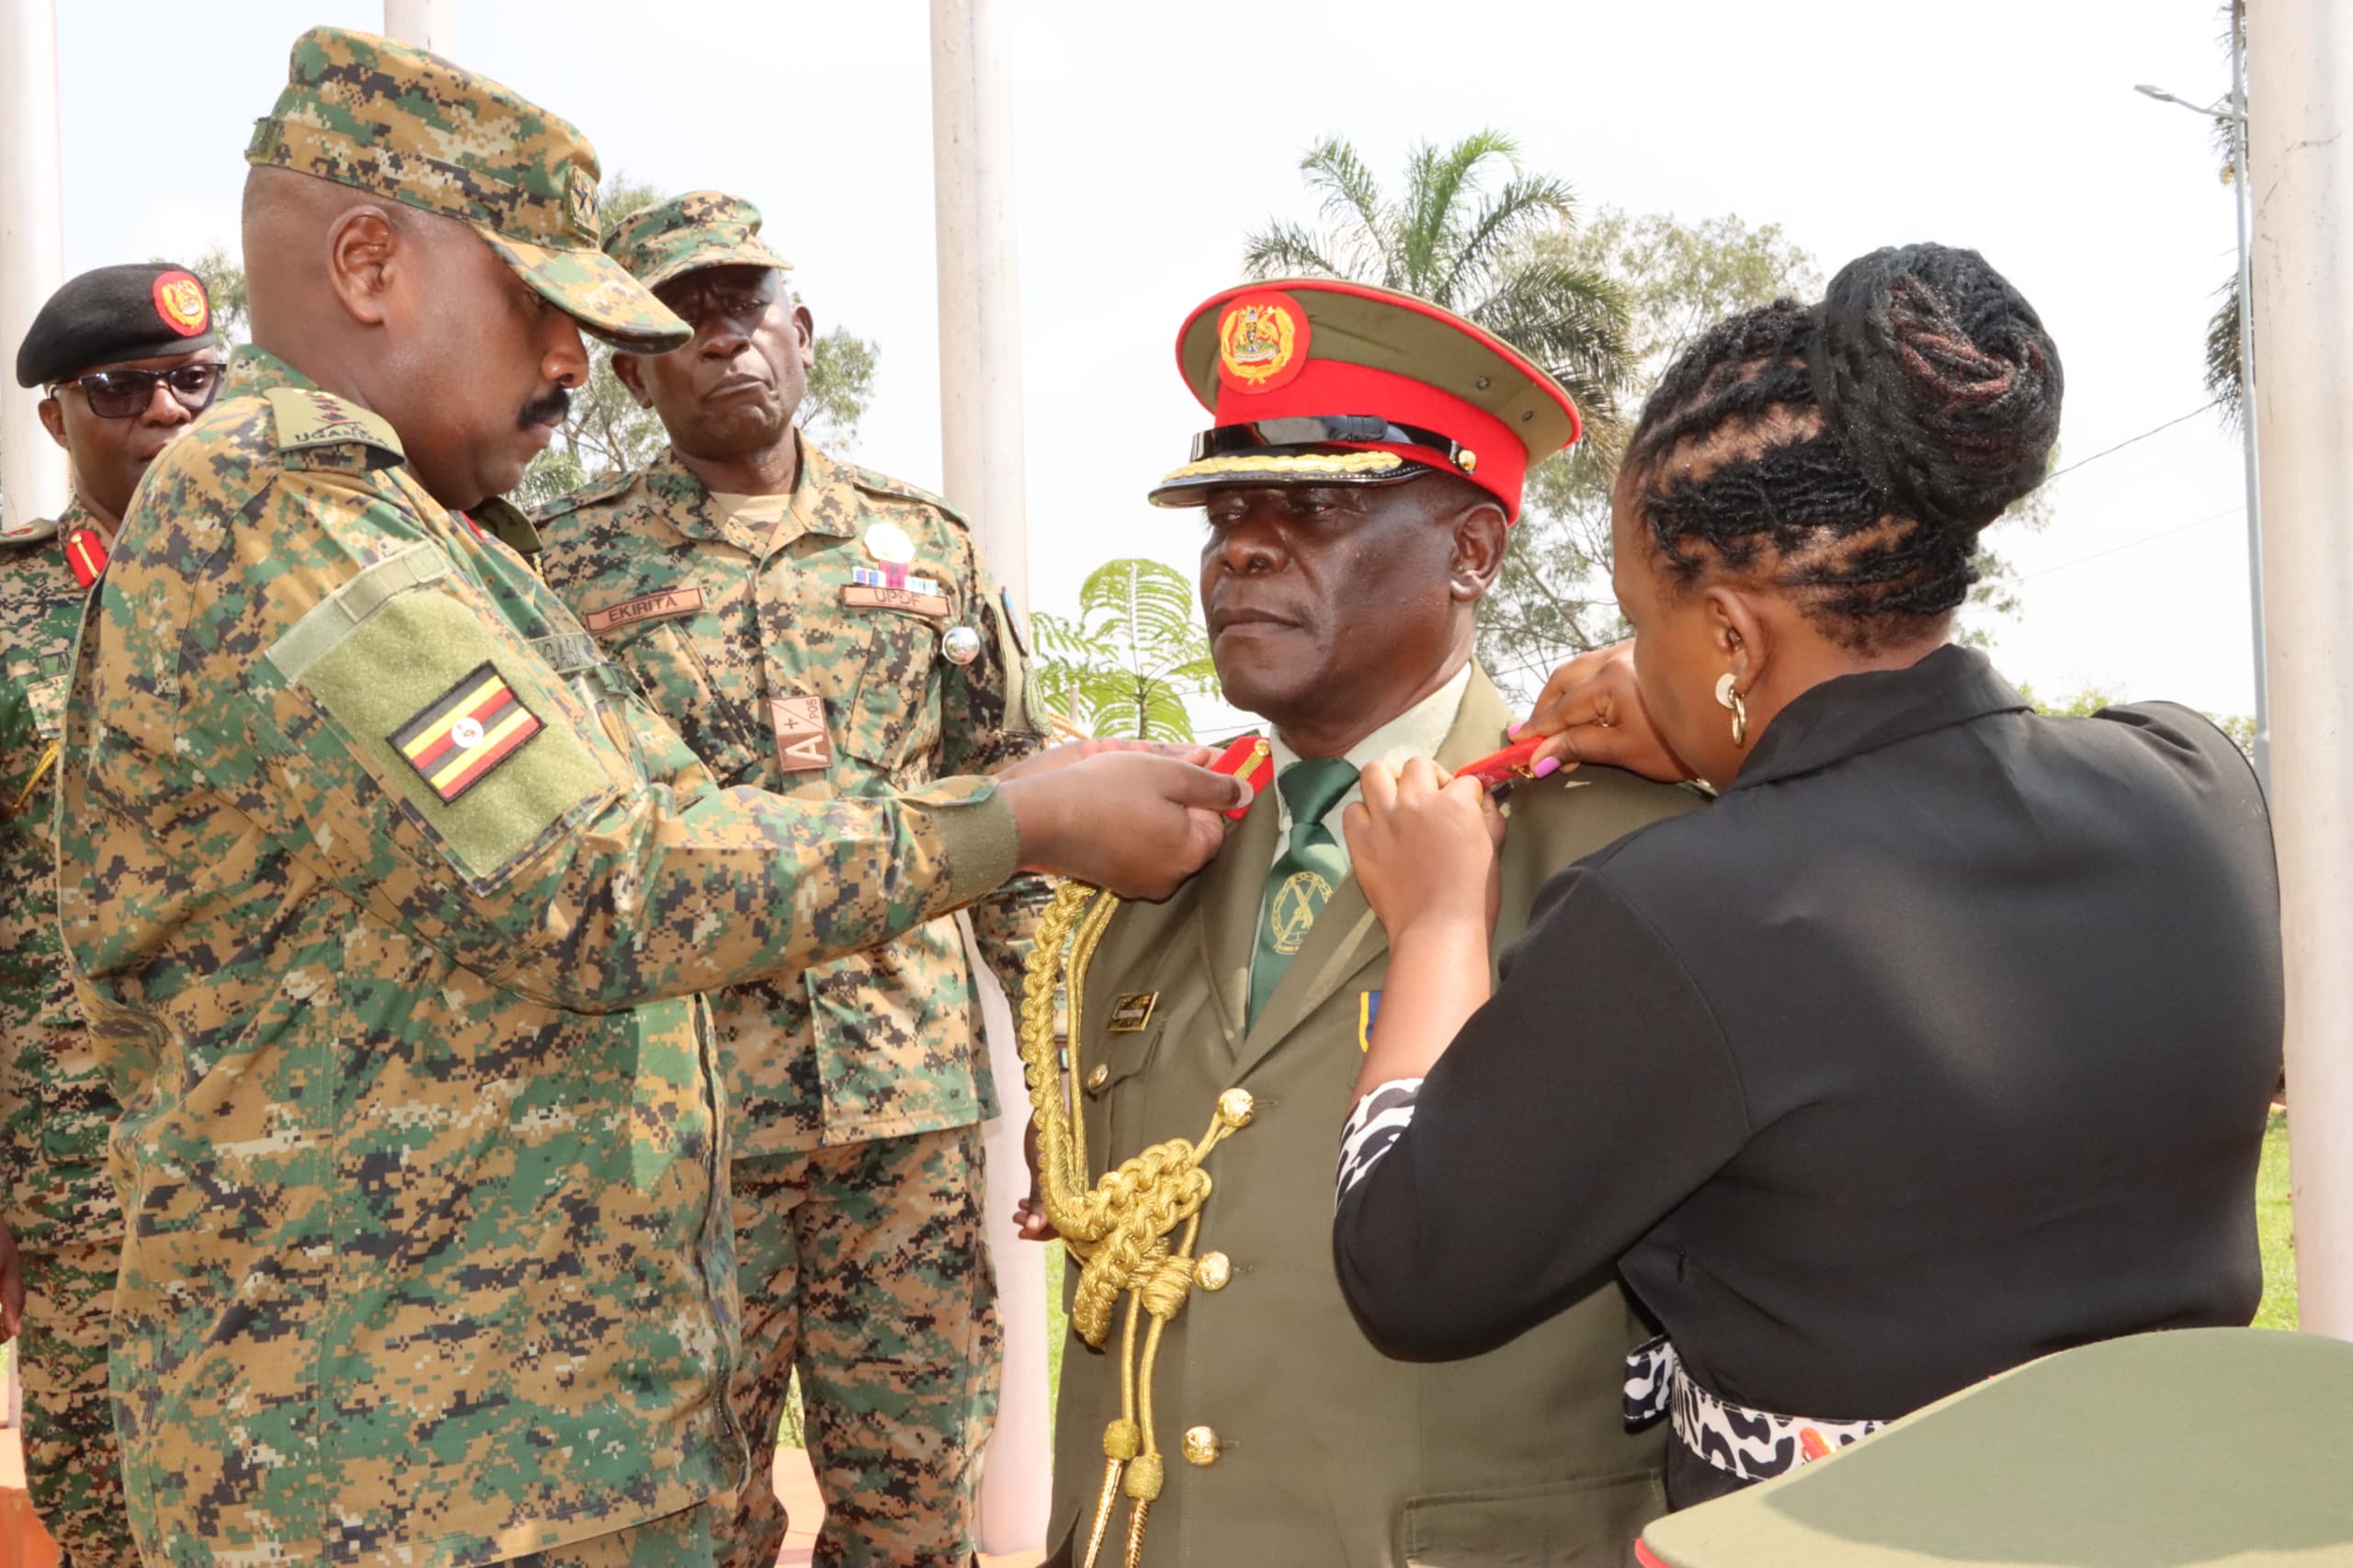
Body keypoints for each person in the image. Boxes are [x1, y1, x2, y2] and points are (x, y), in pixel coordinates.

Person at [54, 28, 1246, 1568]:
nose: (573, 362)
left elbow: (671, 800)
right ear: (367, 262)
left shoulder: (442, 536)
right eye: (546, 307)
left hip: (500, 1436)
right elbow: (597, 878)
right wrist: (1016, 818)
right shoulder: (288, 516)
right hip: (388, 1465)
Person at [1331, 244, 2284, 1513]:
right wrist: (1730, 729)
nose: (1627, 652)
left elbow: (1413, 1262)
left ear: (1731, 632)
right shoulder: (2201, 787)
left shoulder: (1676, 913)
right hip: (2185, 1524)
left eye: (1642, 610)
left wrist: (1438, 925)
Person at [1023, 278, 1701, 1568]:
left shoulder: (1628, 853)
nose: (1244, 549)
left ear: (1473, 552)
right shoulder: (1146, 871)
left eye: (1318, 506)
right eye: (1226, 511)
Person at [530, 191, 1040, 1568]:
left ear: (801, 331)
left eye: (745, 310)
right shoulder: (564, 567)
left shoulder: (926, 547)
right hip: (685, 1129)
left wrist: (1052, 1082)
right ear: (634, 373)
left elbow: (1021, 819)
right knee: (697, 1504)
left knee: (919, 1496)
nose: (724, 343)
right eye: (681, 326)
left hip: (909, 1121)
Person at [3, 262, 224, 1568]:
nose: (168, 410)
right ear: (56, 418)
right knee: (107, 1513)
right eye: (122, 387)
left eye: (196, 380)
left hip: (312, 1148)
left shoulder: (309, 589)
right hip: (87, 1177)